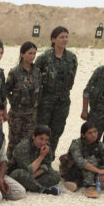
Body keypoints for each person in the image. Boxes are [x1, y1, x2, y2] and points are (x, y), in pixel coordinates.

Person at [34, 26, 78, 155]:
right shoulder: (44, 58)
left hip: (63, 102)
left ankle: (49, 158)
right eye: (61, 37)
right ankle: (36, 157)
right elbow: (35, 77)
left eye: (66, 36)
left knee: (57, 131)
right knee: (41, 131)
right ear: (53, 39)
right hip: (45, 101)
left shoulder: (72, 58)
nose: (65, 39)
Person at [60, 121, 104, 198]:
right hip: (73, 171)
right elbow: (80, 162)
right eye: (90, 133)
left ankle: (76, 183)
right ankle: (90, 186)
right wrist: (99, 171)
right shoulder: (76, 144)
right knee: (91, 160)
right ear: (83, 135)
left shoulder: (99, 144)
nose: (94, 135)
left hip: (91, 171)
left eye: (95, 132)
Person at [5, 41, 40, 158]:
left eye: (34, 53)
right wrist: (13, 101)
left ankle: (22, 167)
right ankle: (9, 166)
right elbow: (6, 90)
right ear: (22, 54)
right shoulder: (14, 72)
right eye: (30, 53)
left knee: (27, 143)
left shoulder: (37, 72)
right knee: (13, 142)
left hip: (31, 114)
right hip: (16, 114)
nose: (32, 56)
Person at [8, 126, 61, 195]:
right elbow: (29, 170)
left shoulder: (46, 146)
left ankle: (30, 185)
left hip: (34, 175)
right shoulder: (23, 146)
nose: (43, 142)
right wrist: (41, 156)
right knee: (19, 174)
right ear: (33, 136)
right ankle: (43, 189)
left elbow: (47, 166)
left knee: (56, 175)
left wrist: (33, 177)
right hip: (19, 173)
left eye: (46, 140)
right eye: (41, 139)